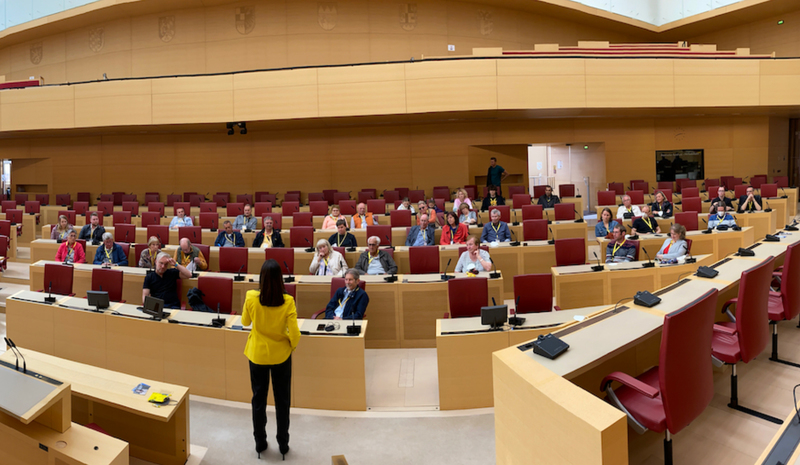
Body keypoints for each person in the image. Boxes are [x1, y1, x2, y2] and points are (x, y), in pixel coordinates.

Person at [242, 259, 299, 460]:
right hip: (281, 356)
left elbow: (245, 322)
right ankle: (283, 443)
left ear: (261, 277)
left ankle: (260, 442)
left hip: (257, 355)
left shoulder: (250, 296)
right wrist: (289, 347)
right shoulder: (288, 301)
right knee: (282, 401)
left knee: (259, 399)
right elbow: (295, 334)